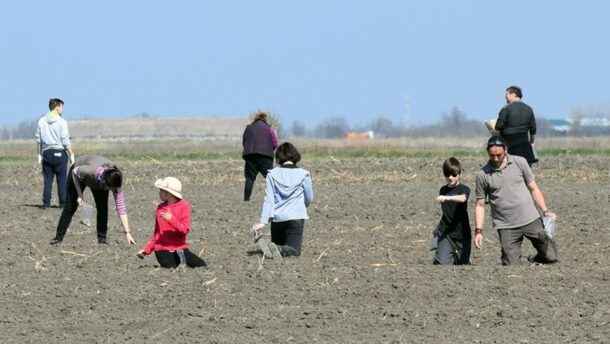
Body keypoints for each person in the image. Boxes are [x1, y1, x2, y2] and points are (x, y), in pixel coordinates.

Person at [474, 136, 558, 265]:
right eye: (492, 155)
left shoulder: (520, 162)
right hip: (506, 226)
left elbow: (534, 189)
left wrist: (545, 211)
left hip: (530, 218)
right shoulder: (482, 175)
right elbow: (480, 205)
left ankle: (534, 258)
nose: (495, 159)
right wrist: (478, 231)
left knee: (551, 256)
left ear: (506, 150)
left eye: (499, 155)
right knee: (511, 266)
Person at [50, 155, 135, 245]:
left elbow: (121, 207)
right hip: (78, 172)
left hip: (100, 178)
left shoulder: (115, 181)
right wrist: (80, 195)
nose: (112, 191)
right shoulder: (89, 172)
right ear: (105, 183)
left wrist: (128, 232)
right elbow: (75, 172)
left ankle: (102, 239)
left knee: (102, 207)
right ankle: (58, 238)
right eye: (110, 189)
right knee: (70, 206)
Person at [251, 142, 313, 259]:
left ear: (279, 157)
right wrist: (302, 206)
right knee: (294, 250)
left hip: (278, 219)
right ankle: (279, 248)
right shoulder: (304, 174)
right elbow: (309, 198)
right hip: (296, 217)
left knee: (277, 252)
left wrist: (263, 222)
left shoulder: (271, 174)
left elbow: (269, 200)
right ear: (295, 156)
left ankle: (277, 247)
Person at [137, 177, 207, 268]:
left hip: (180, 248)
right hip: (162, 249)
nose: (159, 193)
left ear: (169, 193)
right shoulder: (160, 208)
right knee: (171, 268)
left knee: (201, 265)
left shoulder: (184, 206)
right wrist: (147, 250)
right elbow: (157, 233)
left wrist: (171, 219)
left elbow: (184, 230)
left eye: (161, 191)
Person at [35, 98, 75, 209]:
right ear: (56, 107)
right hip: (60, 154)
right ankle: (63, 204)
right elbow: (65, 140)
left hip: (47, 153)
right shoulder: (62, 122)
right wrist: (71, 154)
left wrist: (39, 154)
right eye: (62, 107)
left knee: (48, 180)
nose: (63, 109)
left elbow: (39, 140)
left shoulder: (41, 121)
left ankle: (46, 204)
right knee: (61, 180)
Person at [431, 157, 471, 265]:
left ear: (459, 174)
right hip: (446, 233)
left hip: (462, 234)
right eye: (447, 174)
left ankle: (455, 255)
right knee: (442, 263)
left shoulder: (464, 189)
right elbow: (447, 213)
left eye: (454, 174)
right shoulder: (443, 190)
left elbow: (463, 198)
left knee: (463, 264)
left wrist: (448, 198)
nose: (450, 177)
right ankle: (441, 256)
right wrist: (438, 228)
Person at [494, 85, 538, 166]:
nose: (505, 96)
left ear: (514, 94)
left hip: (509, 146)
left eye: (507, 94)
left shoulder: (506, 109)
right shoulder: (529, 109)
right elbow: (533, 130)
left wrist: (495, 141)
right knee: (526, 172)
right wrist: (531, 143)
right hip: (525, 146)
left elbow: (498, 128)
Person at [242, 111, 279, 201]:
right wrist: (270, 149)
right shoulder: (269, 128)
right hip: (265, 157)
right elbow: (275, 143)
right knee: (271, 178)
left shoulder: (249, 128)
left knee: (250, 179)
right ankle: (276, 198)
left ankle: (246, 199)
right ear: (265, 119)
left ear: (256, 118)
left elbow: (245, 141)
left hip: (251, 156)